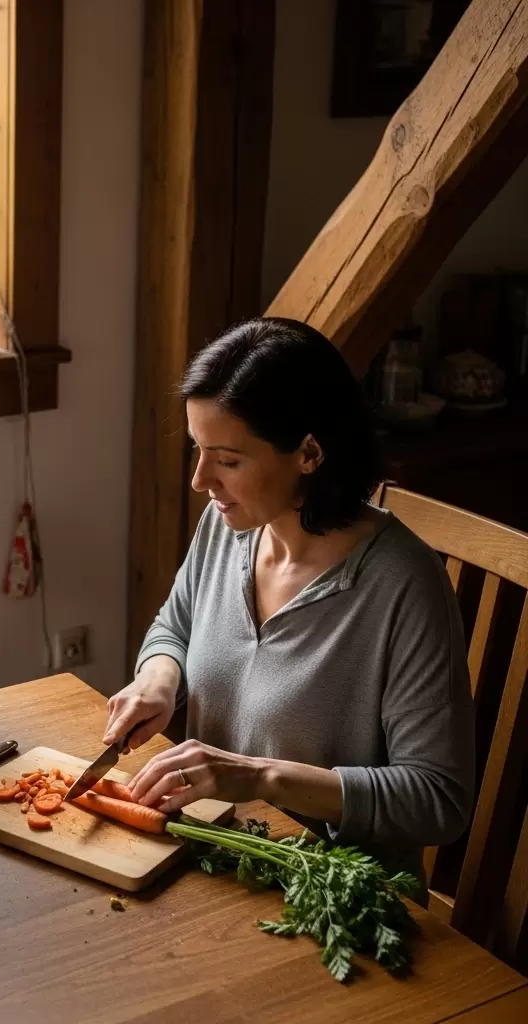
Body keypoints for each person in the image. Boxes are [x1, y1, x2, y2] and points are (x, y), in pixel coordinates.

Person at [104, 317, 474, 871]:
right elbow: (174, 628)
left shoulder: (405, 587)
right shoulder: (227, 528)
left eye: (228, 460)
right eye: (198, 450)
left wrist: (258, 776)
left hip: (334, 899)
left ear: (309, 453)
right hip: (211, 863)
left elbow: (437, 799)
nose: (201, 480)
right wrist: (158, 681)